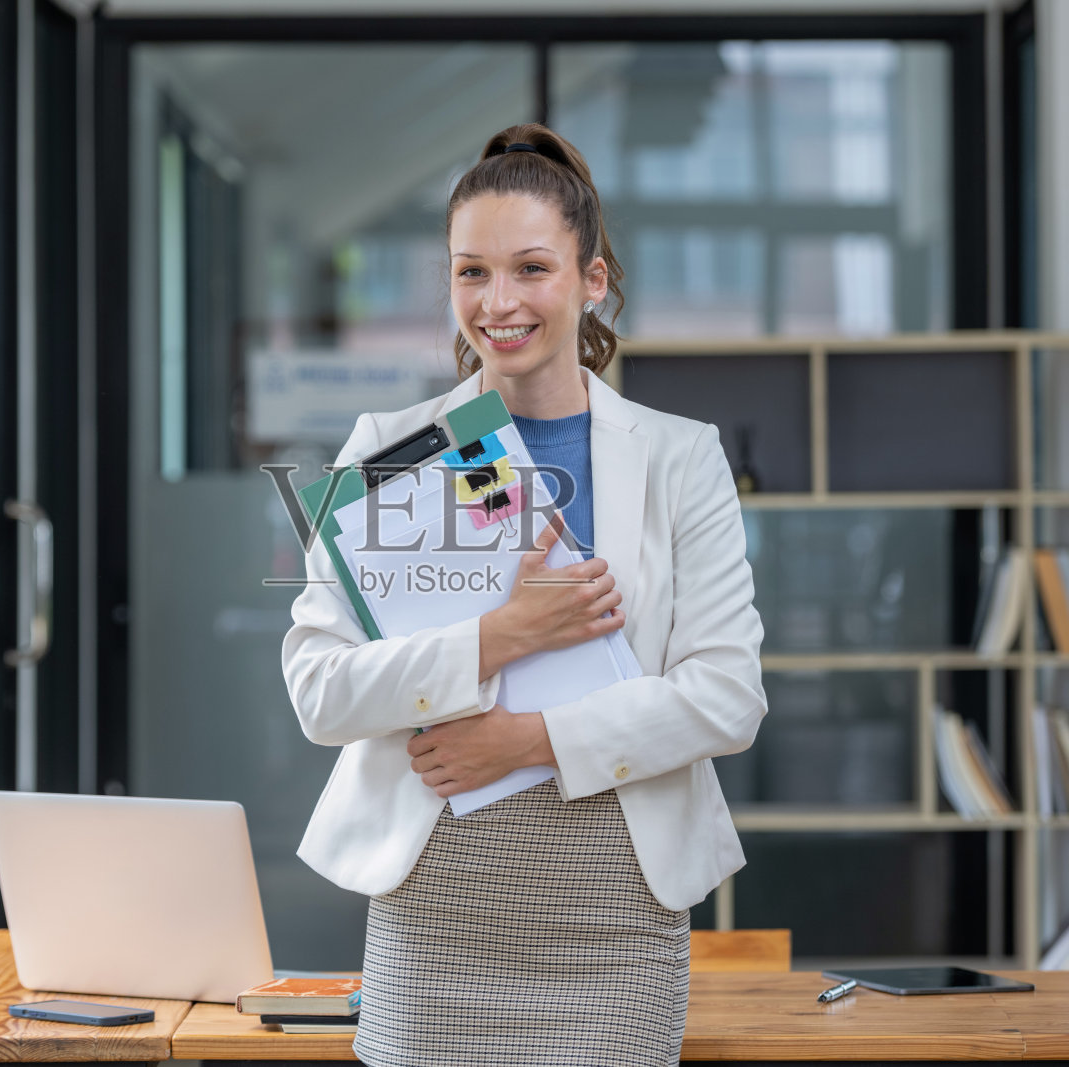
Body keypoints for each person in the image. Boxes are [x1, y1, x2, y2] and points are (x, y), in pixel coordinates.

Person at [280, 122, 767, 1067]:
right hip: (433, 920)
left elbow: (727, 695)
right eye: (471, 272)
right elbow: (319, 690)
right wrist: (499, 635)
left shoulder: (681, 456)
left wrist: (529, 740)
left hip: (616, 923)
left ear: (592, 279)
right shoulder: (386, 452)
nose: (497, 302)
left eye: (531, 268)